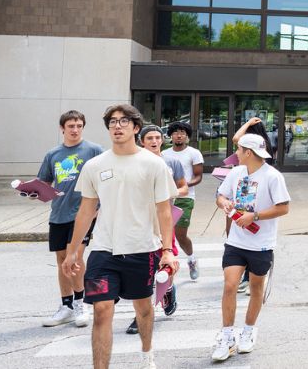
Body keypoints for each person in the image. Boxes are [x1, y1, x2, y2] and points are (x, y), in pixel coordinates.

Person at [62, 105, 180, 369]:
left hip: (142, 249)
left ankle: (147, 353)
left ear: (135, 128)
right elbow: (85, 211)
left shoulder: (153, 164)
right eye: (112, 122)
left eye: (124, 121)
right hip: (104, 251)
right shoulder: (95, 166)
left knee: (144, 309)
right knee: (102, 311)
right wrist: (73, 251)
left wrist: (167, 250)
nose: (117, 126)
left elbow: (164, 211)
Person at [211, 133, 290, 362]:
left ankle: (248, 330)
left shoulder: (272, 177)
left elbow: (283, 208)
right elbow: (221, 195)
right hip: (236, 242)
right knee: (230, 285)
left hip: (261, 243)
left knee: (256, 288)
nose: (235, 153)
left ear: (248, 152)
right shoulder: (235, 172)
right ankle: (227, 337)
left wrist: (254, 215)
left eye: (238, 149)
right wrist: (224, 202)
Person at [38, 110, 103, 328]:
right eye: (71, 126)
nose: (75, 130)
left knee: (74, 259)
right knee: (61, 261)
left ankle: (81, 302)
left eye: (78, 126)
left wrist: (97, 208)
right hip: (58, 213)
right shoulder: (53, 154)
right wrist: (33, 192)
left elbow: (105, 180)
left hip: (83, 213)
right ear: (62, 129)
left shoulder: (94, 150)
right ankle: (66, 306)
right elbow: (44, 183)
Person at [127, 125, 187, 334]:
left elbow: (184, 187)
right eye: (149, 138)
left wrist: (169, 193)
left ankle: (168, 289)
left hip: (164, 216)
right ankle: (140, 315)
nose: (154, 141)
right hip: (141, 219)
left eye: (157, 138)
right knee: (144, 267)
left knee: (165, 260)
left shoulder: (172, 162)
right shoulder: (134, 163)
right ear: (141, 141)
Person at [229, 117, 270, 294]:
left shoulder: (258, 146)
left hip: (251, 191)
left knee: (250, 233)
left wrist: (247, 123)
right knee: (239, 232)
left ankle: (252, 277)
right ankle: (244, 274)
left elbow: (236, 138)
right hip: (243, 188)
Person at [162, 121, 204, 281]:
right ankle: (164, 267)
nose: (179, 135)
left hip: (185, 198)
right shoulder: (165, 154)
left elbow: (198, 176)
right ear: (171, 136)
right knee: (163, 235)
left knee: (180, 235)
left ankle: (192, 259)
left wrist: (184, 185)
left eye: (182, 133)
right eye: (176, 133)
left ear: (187, 136)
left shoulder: (194, 153)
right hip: (165, 198)